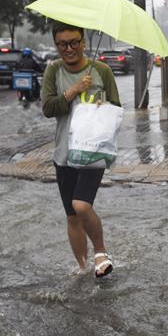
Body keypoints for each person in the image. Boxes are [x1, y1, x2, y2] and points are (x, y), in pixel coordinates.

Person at [41, 22, 121, 277]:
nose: (69, 48)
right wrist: (73, 91)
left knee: (82, 206)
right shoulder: (53, 71)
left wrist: (102, 105)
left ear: (84, 42)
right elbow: (47, 109)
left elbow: (117, 108)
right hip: (64, 154)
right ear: (56, 45)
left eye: (74, 42)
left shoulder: (102, 71)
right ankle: (82, 268)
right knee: (72, 216)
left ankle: (100, 253)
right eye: (63, 44)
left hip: (92, 152)